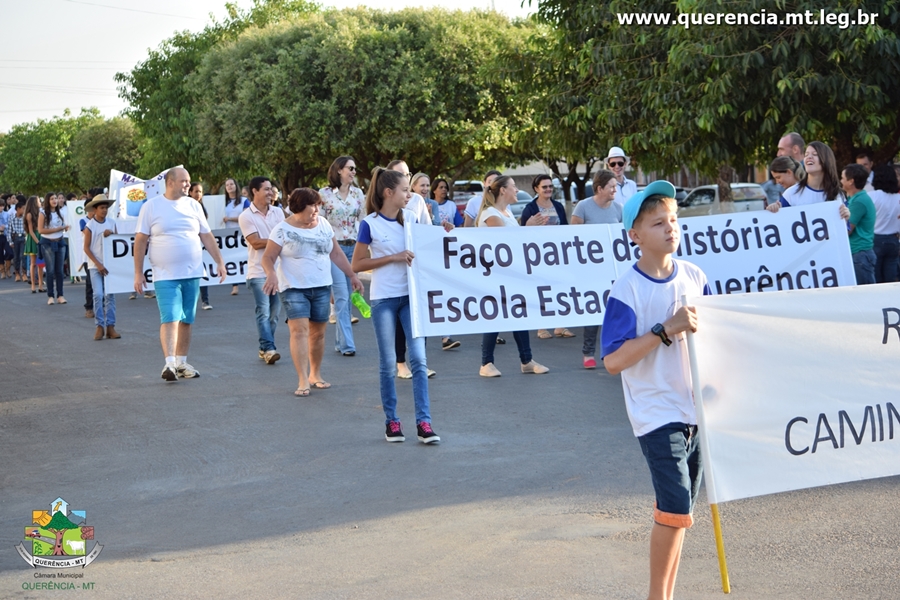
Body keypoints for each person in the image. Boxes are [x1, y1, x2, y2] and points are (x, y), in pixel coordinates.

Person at [601, 180, 711, 600]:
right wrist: (665, 329)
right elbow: (613, 361)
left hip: (696, 410)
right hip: (655, 412)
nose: (671, 229)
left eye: (674, 220)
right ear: (635, 235)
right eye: (658, 223)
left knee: (680, 513)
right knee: (676, 505)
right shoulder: (626, 290)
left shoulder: (696, 276)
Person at [351, 167, 440, 443]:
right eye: (404, 190)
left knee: (419, 360)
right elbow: (357, 264)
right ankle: (392, 421)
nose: (409, 194)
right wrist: (393, 258)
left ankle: (424, 423)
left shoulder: (412, 217)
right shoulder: (370, 224)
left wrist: (444, 232)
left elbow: (429, 248)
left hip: (410, 298)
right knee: (389, 362)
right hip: (384, 299)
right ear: (388, 193)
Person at [262, 188, 363, 396]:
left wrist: (352, 275)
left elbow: (335, 253)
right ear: (299, 207)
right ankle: (302, 379)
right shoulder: (282, 229)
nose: (317, 209)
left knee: (318, 334)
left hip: (321, 286)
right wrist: (270, 273)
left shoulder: (324, 224)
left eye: (318, 205)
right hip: (293, 288)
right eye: (313, 205)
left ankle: (315, 374)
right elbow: (268, 257)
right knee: (299, 331)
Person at [133, 167, 227, 382]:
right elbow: (140, 241)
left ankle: (182, 362)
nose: (188, 185)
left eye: (189, 181)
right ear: (170, 182)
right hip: (165, 274)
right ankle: (169, 363)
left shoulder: (194, 205)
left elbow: (207, 235)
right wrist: (138, 273)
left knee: (186, 319)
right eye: (184, 181)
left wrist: (220, 261)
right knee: (171, 317)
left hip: (192, 272)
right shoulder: (151, 206)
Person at [476, 175, 550, 377]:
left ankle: (526, 360)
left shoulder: (506, 212)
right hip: (495, 275)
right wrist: (527, 227)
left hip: (511, 275)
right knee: (495, 317)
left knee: (519, 315)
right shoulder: (490, 213)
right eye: (513, 187)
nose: (516, 190)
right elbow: (505, 242)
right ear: (502, 190)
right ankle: (486, 363)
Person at [388, 160, 440, 377]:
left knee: (421, 315)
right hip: (396, 267)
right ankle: (401, 363)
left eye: (408, 174)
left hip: (417, 266)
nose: (406, 178)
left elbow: (426, 231)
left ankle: (420, 362)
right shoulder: (385, 201)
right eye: (400, 174)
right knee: (401, 317)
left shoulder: (418, 200)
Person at [571, 169, 623, 368]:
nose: (614, 189)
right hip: (590, 269)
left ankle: (615, 350)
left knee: (615, 308)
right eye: (611, 186)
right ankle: (588, 352)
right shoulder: (583, 207)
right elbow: (572, 238)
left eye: (615, 186)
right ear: (600, 188)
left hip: (612, 268)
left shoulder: (618, 209)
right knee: (593, 310)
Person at [320, 156, 365, 357]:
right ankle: (348, 344)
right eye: (350, 168)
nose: (354, 172)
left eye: (355, 169)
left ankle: (341, 341)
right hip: (334, 250)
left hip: (353, 248)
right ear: (339, 170)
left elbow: (362, 222)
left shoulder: (358, 193)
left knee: (346, 296)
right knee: (342, 295)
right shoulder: (325, 194)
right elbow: (319, 222)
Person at [521, 174, 574, 340]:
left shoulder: (558, 206)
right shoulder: (530, 208)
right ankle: (541, 326)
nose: (548, 189)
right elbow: (521, 232)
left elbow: (565, 229)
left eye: (550, 186)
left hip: (557, 254)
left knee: (559, 287)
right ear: (536, 189)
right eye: (544, 187)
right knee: (540, 289)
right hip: (537, 255)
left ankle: (560, 325)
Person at [240, 176, 285, 365]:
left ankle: (264, 345)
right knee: (264, 311)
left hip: (279, 271)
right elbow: (256, 242)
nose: (270, 192)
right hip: (258, 272)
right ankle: (268, 348)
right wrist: (277, 242)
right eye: (266, 189)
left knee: (274, 314)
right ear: (254, 191)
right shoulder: (246, 216)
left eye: (271, 189)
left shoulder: (278, 212)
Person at [767, 141, 845, 212]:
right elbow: (780, 223)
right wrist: (773, 210)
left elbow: (845, 225)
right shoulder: (791, 194)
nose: (809, 157)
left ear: (827, 161)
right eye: (806, 154)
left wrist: (846, 216)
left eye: (815, 154)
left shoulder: (838, 194)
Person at [82, 194, 119, 340]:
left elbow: (117, 242)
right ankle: (99, 325)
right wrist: (98, 264)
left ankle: (110, 326)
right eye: (102, 208)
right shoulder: (90, 225)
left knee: (110, 295)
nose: (104, 210)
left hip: (109, 265)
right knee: (98, 295)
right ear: (95, 209)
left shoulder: (111, 223)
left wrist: (111, 234)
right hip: (94, 265)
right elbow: (86, 247)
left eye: (106, 208)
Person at [841, 163, 877, 285]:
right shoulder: (855, 199)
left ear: (851, 181)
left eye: (842, 178)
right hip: (860, 254)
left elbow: (847, 229)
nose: (840, 181)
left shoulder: (859, 201)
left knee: (866, 296)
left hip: (860, 254)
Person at [868, 165, 900, 284]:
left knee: (876, 278)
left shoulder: (872, 196)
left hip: (875, 239)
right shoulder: (898, 198)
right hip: (894, 240)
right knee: (891, 279)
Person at [38, 192, 70, 305]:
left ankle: (60, 295)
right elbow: (41, 230)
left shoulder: (60, 212)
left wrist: (65, 228)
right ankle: (50, 296)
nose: (55, 200)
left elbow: (63, 226)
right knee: (50, 271)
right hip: (47, 244)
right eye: (52, 199)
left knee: (60, 271)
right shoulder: (43, 213)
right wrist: (57, 229)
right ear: (47, 201)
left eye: (56, 198)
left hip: (60, 242)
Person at [187, 183, 213, 310]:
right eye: (196, 191)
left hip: (198, 246)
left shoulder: (201, 207)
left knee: (201, 271)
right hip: (188, 246)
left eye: (200, 192)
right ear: (190, 192)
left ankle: (205, 300)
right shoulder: (186, 206)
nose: (198, 194)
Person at [222, 178, 244, 296]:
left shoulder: (244, 201)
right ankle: (235, 286)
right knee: (231, 260)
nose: (229, 186)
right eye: (227, 185)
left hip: (241, 235)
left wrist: (230, 219)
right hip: (227, 236)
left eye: (231, 184)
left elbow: (246, 217)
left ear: (236, 185)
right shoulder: (223, 202)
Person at [23, 195, 44, 293]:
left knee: (41, 263)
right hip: (33, 238)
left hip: (40, 235)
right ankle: (33, 285)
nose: (40, 202)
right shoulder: (29, 215)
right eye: (38, 201)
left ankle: (40, 285)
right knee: (33, 263)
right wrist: (38, 242)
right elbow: (30, 231)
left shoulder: (40, 213)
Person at [7, 199, 26, 282]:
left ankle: (24, 273)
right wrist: (10, 241)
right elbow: (9, 231)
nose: (24, 210)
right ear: (18, 209)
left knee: (23, 256)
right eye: (23, 208)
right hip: (15, 238)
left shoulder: (25, 218)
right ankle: (17, 273)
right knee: (16, 257)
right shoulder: (12, 218)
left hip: (23, 237)